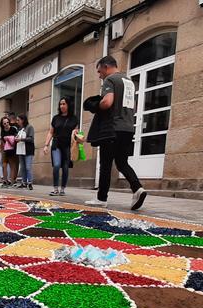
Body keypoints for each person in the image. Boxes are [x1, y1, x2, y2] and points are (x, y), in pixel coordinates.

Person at [84, 55, 147, 210]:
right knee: (122, 162)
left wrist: (95, 105)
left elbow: (107, 102)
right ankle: (138, 188)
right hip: (127, 127)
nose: (99, 75)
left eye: (99, 72)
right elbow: (134, 106)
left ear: (106, 67)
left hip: (112, 128)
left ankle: (101, 199)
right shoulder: (129, 82)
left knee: (105, 163)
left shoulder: (110, 80)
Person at [43, 96, 79, 196]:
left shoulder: (74, 119)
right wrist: (46, 145)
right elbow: (50, 132)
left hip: (68, 146)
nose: (62, 106)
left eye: (64, 104)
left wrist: (77, 134)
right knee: (57, 165)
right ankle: (55, 189)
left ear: (68, 105)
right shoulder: (56, 118)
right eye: (60, 104)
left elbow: (76, 132)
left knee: (65, 167)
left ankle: (62, 189)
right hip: (56, 145)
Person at [15, 114, 35, 189]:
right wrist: (16, 138)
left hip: (28, 150)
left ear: (23, 120)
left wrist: (21, 139)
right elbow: (18, 137)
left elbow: (31, 138)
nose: (17, 122)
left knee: (28, 167)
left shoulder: (29, 127)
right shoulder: (20, 129)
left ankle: (30, 182)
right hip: (20, 150)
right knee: (22, 167)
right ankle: (24, 182)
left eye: (18, 120)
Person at [0, 116, 19, 187]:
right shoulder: (2, 130)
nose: (6, 124)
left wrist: (10, 140)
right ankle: (5, 181)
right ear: (2, 124)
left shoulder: (13, 129)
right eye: (4, 123)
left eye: (7, 122)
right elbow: (2, 140)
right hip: (5, 150)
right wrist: (2, 150)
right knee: (4, 165)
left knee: (12, 165)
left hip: (12, 149)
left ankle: (12, 181)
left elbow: (16, 138)